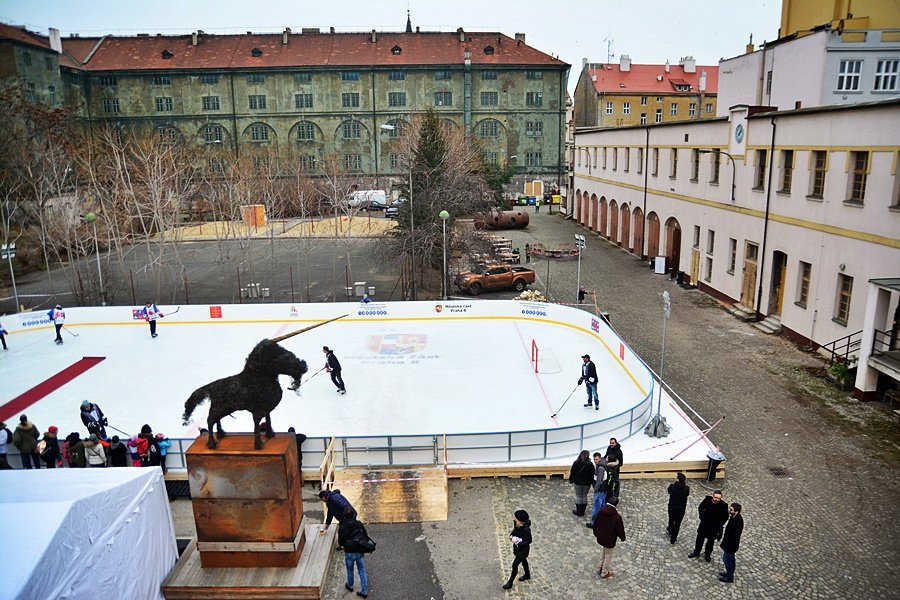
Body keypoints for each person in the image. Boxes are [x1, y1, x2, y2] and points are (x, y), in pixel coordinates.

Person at [689, 489, 730, 562]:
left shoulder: (724, 505)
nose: (717, 499)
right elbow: (700, 507)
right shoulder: (707, 499)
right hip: (704, 525)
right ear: (712, 496)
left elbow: (725, 517)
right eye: (715, 497)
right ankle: (696, 552)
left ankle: (707, 554)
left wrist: (719, 524)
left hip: (714, 528)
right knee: (699, 539)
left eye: (718, 498)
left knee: (710, 542)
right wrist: (701, 517)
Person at [338, 507, 370, 598]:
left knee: (350, 569)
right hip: (359, 549)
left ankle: (350, 585)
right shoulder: (358, 524)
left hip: (349, 552)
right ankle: (364, 591)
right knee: (361, 570)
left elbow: (341, 542)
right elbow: (365, 535)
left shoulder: (342, 527)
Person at [593, 496, 626, 579]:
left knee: (604, 551)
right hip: (610, 540)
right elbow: (620, 530)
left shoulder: (601, 511)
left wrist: (595, 533)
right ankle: (604, 572)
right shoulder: (617, 517)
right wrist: (622, 538)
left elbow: (595, 523)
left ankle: (600, 567)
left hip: (601, 537)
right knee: (608, 555)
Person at [501, 509, 532, 590]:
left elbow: (529, 541)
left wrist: (518, 542)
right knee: (524, 561)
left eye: (516, 518)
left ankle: (510, 582)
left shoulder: (526, 530)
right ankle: (527, 574)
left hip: (523, 551)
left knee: (515, 565)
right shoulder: (517, 523)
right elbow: (514, 530)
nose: (514, 518)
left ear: (520, 520)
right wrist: (512, 536)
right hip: (517, 549)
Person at [719, 503, 743, 583]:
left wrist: (727, 544)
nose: (729, 510)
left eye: (731, 510)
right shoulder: (733, 517)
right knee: (731, 560)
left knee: (727, 560)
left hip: (731, 545)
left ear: (736, 512)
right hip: (729, 544)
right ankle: (729, 573)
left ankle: (730, 577)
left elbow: (734, 536)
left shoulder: (738, 522)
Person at [586, 452, 610, 528]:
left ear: (599, 458)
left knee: (596, 507)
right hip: (603, 489)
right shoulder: (602, 464)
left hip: (600, 490)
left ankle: (594, 523)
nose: (595, 461)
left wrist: (595, 489)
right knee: (602, 506)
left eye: (596, 459)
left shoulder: (600, 468)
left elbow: (599, 481)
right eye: (594, 459)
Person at [568, 449, 594, 517]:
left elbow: (572, 472)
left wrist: (571, 480)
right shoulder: (590, 464)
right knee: (584, 496)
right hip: (587, 483)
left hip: (578, 483)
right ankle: (583, 511)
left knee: (579, 496)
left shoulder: (576, 463)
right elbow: (592, 474)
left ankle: (579, 511)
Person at [666, 472, 691, 544]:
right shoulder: (686, 488)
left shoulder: (672, 487)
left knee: (671, 519)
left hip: (672, 507)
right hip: (681, 509)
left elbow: (669, 491)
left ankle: (670, 530)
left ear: (678, 479)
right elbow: (687, 494)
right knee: (677, 524)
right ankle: (673, 539)